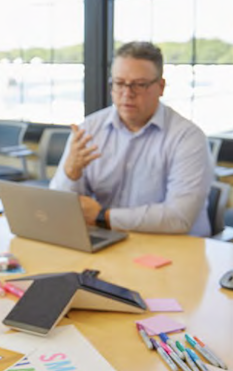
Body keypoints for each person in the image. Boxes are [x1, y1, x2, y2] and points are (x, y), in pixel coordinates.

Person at [49, 41, 213, 235]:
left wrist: (104, 217)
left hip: (170, 247)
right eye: (119, 83)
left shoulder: (187, 138)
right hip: (107, 241)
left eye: (139, 85)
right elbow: (58, 208)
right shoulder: (89, 129)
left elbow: (178, 218)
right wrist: (70, 174)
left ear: (161, 87)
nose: (127, 93)